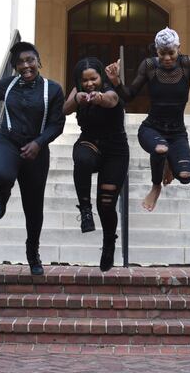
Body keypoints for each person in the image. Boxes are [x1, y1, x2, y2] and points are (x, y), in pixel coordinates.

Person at [105, 27, 190, 212]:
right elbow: (129, 95)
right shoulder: (149, 65)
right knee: (160, 148)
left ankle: (168, 160)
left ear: (179, 49)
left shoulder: (187, 64)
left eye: (171, 53)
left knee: (185, 175)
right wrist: (116, 81)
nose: (167, 58)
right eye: (162, 53)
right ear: (156, 51)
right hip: (152, 129)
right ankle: (156, 186)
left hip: (177, 133)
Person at [0, 41, 65, 275]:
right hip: (8, 141)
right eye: (21, 62)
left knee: (33, 207)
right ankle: (3, 194)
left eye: (30, 60)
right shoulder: (7, 85)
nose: (26, 65)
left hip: (36, 150)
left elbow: (57, 123)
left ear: (38, 61)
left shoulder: (53, 89)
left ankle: (32, 252)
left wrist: (39, 143)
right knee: (0, 174)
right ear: (15, 66)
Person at [63, 57, 129, 272]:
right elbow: (65, 109)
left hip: (115, 149)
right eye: (85, 80)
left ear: (101, 76)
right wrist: (79, 98)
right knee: (81, 158)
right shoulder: (78, 90)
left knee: (107, 204)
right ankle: (85, 210)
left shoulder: (110, 88)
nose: (90, 83)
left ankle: (109, 241)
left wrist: (97, 97)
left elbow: (111, 100)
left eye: (94, 78)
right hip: (90, 141)